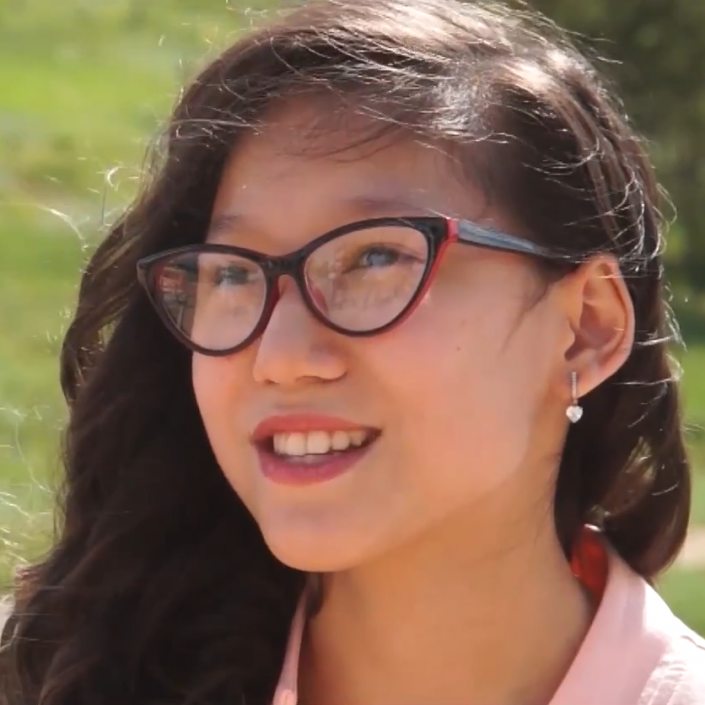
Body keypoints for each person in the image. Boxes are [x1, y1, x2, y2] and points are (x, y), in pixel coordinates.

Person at [2, 0, 704, 703]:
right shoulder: (52, 677)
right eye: (233, 274)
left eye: (374, 258)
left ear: (585, 327)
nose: (280, 356)